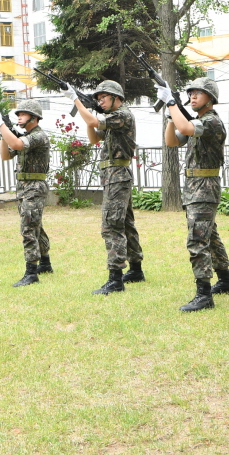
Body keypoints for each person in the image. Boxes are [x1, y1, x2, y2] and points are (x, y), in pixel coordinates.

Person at [158, 77, 229, 312]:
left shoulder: (211, 122)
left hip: (204, 186)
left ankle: (203, 294)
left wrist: (171, 103)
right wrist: (172, 115)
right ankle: (225, 281)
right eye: (190, 93)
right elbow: (172, 140)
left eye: (198, 93)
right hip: (195, 186)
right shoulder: (198, 120)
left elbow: (186, 128)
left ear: (210, 98)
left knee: (197, 239)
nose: (192, 96)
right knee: (209, 236)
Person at [62, 80, 144, 295]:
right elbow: (94, 137)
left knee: (111, 226)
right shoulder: (111, 118)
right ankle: (136, 269)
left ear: (117, 97)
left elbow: (94, 121)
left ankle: (115, 279)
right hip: (113, 175)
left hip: (117, 174)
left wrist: (76, 100)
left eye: (103, 97)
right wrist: (88, 113)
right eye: (98, 98)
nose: (100, 101)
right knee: (125, 223)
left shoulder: (123, 114)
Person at [0, 99, 52, 287]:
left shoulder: (39, 136)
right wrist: (3, 135)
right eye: (18, 114)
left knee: (28, 226)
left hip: (35, 185)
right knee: (35, 224)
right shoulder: (24, 136)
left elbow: (18, 145)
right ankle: (45, 262)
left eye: (23, 114)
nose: (19, 117)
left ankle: (31, 271)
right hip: (25, 186)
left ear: (34, 118)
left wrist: (3, 126)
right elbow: (5, 155)